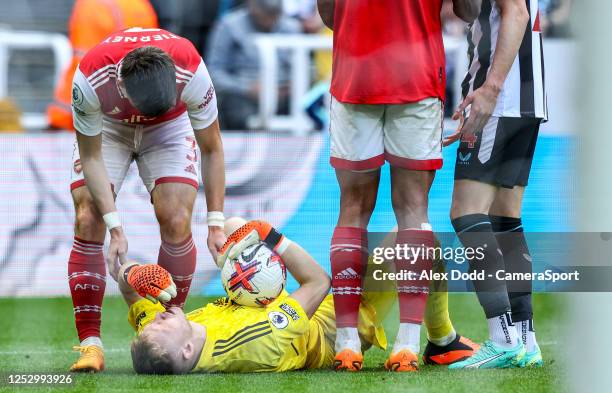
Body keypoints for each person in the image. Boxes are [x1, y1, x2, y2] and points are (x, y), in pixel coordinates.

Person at [317, 0, 481, 372]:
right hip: (416, 77)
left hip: (355, 75)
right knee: (412, 209)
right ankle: (406, 345)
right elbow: (468, 11)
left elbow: (329, 15)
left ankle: (346, 345)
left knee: (352, 209)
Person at [67, 27, 226, 372]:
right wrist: (115, 228)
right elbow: (91, 157)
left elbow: (212, 148)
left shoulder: (191, 67)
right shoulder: (89, 78)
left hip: (169, 128)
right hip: (109, 126)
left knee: (176, 216)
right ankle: (90, 346)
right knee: (88, 217)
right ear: (121, 87)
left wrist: (215, 222)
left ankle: (167, 327)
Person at [118, 217, 387, 374]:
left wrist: (133, 273)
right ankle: (432, 341)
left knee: (234, 225)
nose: (158, 317)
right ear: (187, 351)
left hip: (272, 297)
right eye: (161, 325)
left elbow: (128, 289)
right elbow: (318, 282)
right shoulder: (254, 339)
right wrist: (271, 236)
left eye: (153, 322)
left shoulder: (164, 335)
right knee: (409, 246)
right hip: (334, 323)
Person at [443, 0, 547, 369]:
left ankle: (502, 337)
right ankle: (525, 339)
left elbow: (515, 12)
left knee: (466, 212)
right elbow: (474, 13)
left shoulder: (494, 89)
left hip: (499, 97)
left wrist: (490, 88)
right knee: (506, 220)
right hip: (527, 98)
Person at [47, 0, 158, 131]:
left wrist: (61, 120)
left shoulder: (92, 6)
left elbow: (84, 66)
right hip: (140, 112)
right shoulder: (141, 5)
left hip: (98, 119)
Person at [206, 0, 301, 130]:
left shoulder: (291, 27)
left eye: (274, 15)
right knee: (236, 107)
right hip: (242, 96)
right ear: (252, 6)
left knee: (307, 105)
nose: (270, 21)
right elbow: (213, 73)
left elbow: (305, 67)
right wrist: (246, 88)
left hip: (285, 95)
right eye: (266, 14)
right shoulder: (229, 26)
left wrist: (296, 83)